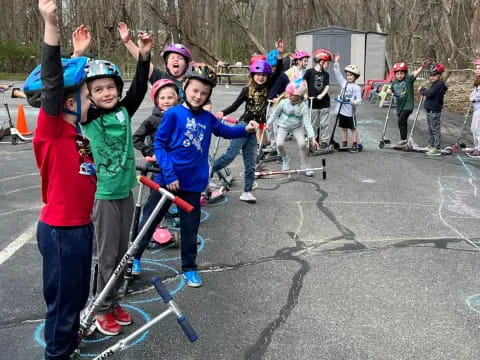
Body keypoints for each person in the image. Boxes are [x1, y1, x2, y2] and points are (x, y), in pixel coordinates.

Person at [137, 64, 257, 288]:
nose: (198, 96)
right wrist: (169, 173)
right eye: (195, 91)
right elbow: (160, 146)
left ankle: (189, 267)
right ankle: (134, 257)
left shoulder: (207, 117)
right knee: (149, 221)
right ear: (186, 87)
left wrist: (245, 130)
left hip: (192, 185)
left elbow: (225, 131)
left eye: (204, 93)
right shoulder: (173, 114)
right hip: (167, 182)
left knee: (190, 228)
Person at [72, 25, 152, 336]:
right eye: (98, 89)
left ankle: (113, 299)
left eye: (110, 88)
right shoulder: (88, 117)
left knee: (122, 254)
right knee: (105, 256)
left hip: (125, 191)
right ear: (88, 95)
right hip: (103, 195)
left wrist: (143, 55)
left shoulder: (122, 111)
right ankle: (99, 308)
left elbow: (140, 88)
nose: (106, 93)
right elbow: (68, 89)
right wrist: (78, 56)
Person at [26, 0, 95, 358]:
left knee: (78, 295)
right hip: (61, 231)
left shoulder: (76, 132)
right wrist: (51, 25)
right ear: (67, 104)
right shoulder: (52, 129)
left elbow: (66, 82)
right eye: (85, 98)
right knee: (63, 304)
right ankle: (58, 353)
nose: (91, 102)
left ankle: (68, 344)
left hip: (81, 227)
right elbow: (54, 82)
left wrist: (77, 54)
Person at [212, 42, 284, 204]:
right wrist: (223, 112)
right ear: (252, 76)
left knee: (251, 163)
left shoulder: (269, 88)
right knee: (229, 156)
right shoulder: (246, 90)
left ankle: (247, 192)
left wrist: (279, 55)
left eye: (264, 75)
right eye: (258, 75)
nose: (261, 77)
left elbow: (278, 72)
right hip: (243, 126)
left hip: (254, 131)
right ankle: (204, 175)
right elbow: (235, 105)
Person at [131, 79, 179, 275]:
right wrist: (149, 151)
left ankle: (190, 264)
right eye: (162, 98)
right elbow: (136, 137)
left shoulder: (182, 115)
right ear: (156, 100)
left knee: (189, 213)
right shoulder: (153, 119)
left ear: (177, 98)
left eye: (170, 97)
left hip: (182, 171)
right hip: (161, 172)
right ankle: (135, 256)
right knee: (151, 215)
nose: (166, 101)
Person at [267, 80, 319, 176]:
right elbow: (275, 114)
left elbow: (307, 123)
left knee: (303, 144)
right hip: (283, 127)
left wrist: (313, 138)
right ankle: (285, 159)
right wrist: (268, 123)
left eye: (292, 94)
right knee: (279, 145)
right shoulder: (283, 103)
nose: (289, 96)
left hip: (297, 127)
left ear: (299, 95)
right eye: (289, 94)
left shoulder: (303, 106)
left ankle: (304, 165)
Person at [387, 60, 429, 144]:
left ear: (405, 73)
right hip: (400, 106)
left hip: (408, 105)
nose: (399, 75)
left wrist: (422, 67)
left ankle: (403, 139)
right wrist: (389, 91)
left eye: (401, 73)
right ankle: (404, 139)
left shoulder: (408, 80)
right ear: (395, 74)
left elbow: (415, 74)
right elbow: (389, 89)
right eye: (398, 74)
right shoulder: (394, 82)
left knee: (401, 121)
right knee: (402, 123)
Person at [332, 53, 363, 152]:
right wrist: (336, 62)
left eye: (351, 75)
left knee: (353, 128)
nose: (349, 77)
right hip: (342, 111)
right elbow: (337, 74)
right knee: (343, 128)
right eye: (348, 75)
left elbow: (359, 100)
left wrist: (353, 102)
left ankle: (354, 143)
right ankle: (344, 142)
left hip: (350, 112)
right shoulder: (344, 83)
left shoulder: (356, 87)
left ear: (355, 76)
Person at [303, 48, 333, 148]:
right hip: (312, 103)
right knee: (313, 124)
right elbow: (304, 82)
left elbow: (327, 86)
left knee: (324, 124)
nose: (328, 65)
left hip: (324, 103)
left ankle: (324, 141)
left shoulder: (326, 74)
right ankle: (313, 140)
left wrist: (322, 95)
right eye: (327, 63)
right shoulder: (309, 72)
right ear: (321, 62)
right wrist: (305, 93)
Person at [418, 63, 448, 156]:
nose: (432, 77)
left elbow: (430, 94)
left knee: (435, 129)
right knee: (431, 128)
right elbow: (430, 94)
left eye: (434, 75)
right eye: (431, 75)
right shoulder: (434, 84)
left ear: (439, 75)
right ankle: (431, 144)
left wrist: (422, 90)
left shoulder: (439, 85)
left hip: (434, 110)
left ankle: (436, 147)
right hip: (429, 110)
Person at [468, 59, 480, 158]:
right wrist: (472, 96)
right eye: (476, 68)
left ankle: (479, 149)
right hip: (476, 109)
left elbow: (476, 96)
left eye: (479, 68)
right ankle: (476, 147)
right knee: (474, 129)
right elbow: (473, 92)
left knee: (478, 130)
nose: (477, 70)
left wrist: (473, 98)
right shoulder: (477, 80)